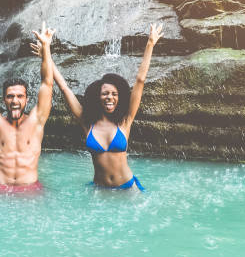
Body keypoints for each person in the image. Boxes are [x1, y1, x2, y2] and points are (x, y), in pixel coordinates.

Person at [32, 23, 163, 191]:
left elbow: (140, 80)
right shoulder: (87, 122)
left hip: (127, 188)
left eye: (114, 94)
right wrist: (46, 53)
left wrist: (150, 44)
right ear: (97, 97)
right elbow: (64, 87)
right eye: (105, 94)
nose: (110, 98)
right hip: (99, 189)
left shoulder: (125, 121)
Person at [0, 22, 55, 193]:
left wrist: (46, 49)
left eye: (19, 96)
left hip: (31, 190)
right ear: (4, 100)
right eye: (10, 96)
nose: (15, 100)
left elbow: (47, 83)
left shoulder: (37, 120)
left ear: (27, 100)